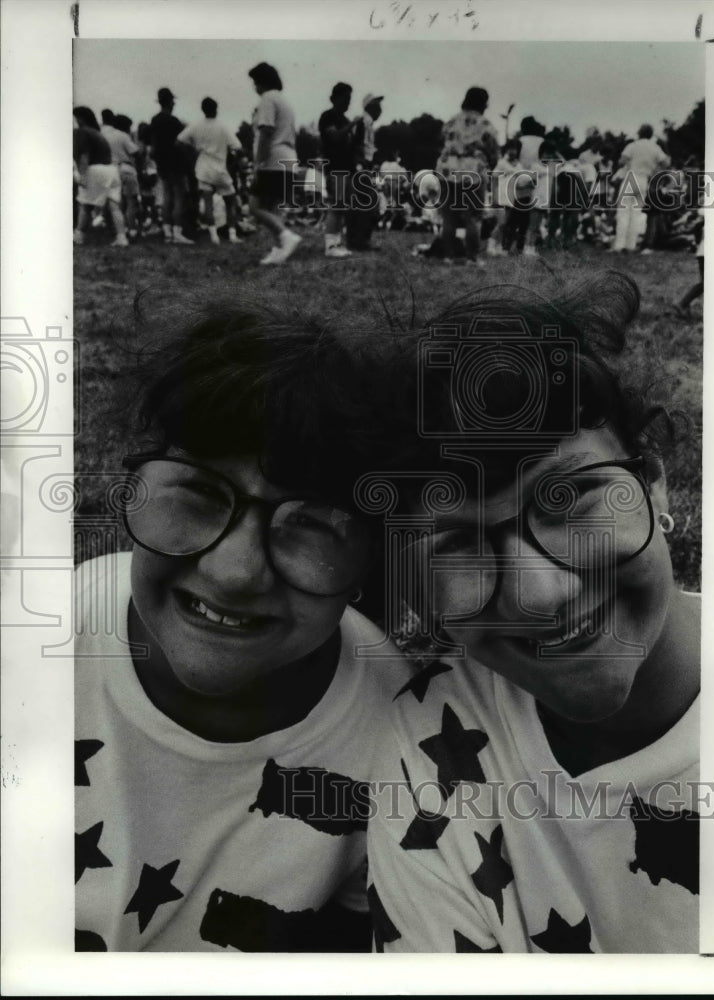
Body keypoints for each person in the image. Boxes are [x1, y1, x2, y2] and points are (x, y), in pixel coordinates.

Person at [364, 273, 701, 952]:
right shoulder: (433, 740)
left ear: (653, 481)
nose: (539, 594)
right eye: (457, 542)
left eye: (569, 498)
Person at [75, 301, 411, 952]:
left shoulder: (401, 750)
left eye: (314, 523)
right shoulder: (26, 650)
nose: (233, 572)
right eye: (197, 494)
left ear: (373, 557)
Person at [436, 86, 499, 264]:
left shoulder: (451, 121)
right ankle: (471, 257)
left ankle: (450, 256)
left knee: (449, 216)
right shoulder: (486, 125)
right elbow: (493, 151)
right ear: (483, 103)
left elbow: (441, 142)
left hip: (447, 170)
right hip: (473, 171)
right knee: (472, 216)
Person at [247, 62, 302, 265]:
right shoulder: (283, 101)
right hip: (288, 158)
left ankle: (287, 237)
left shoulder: (267, 99)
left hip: (272, 158)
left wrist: (258, 163)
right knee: (272, 208)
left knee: (255, 206)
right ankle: (279, 249)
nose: (254, 87)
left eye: (255, 82)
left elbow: (266, 132)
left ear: (262, 82)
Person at [179, 97, 243, 245]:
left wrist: (194, 150)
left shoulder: (196, 126)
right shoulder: (222, 126)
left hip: (203, 167)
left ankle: (214, 236)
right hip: (220, 168)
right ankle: (232, 235)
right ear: (216, 109)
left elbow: (179, 141)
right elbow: (237, 146)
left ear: (203, 110)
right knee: (230, 201)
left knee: (208, 203)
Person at [73, 106, 128, 247]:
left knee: (85, 205)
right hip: (111, 170)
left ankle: (78, 236)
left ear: (79, 118)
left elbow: (84, 155)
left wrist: (82, 175)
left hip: (94, 169)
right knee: (114, 206)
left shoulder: (81, 132)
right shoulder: (97, 133)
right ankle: (121, 237)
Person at [610, 124, 670, 253]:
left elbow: (622, 161)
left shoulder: (633, 145)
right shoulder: (655, 148)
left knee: (623, 212)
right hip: (644, 179)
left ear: (639, 133)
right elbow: (666, 163)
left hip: (631, 177)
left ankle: (619, 245)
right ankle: (631, 245)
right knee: (636, 214)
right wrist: (654, 170)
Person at [148, 87, 194, 245]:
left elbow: (153, 145)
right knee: (179, 197)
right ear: (170, 102)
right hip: (176, 162)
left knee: (167, 197)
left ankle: (167, 231)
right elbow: (181, 142)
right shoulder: (174, 121)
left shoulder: (154, 120)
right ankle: (177, 232)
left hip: (162, 163)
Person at [317, 82, 358, 259]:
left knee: (342, 206)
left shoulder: (345, 120)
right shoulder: (328, 116)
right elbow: (334, 137)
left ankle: (337, 241)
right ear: (335, 98)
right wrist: (352, 126)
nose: (348, 102)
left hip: (347, 168)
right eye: (345, 98)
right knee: (336, 205)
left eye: (350, 99)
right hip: (335, 167)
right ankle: (330, 244)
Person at [347, 94, 384, 251]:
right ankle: (359, 241)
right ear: (369, 106)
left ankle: (360, 240)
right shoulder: (363, 122)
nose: (380, 108)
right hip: (360, 166)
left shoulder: (368, 123)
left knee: (366, 204)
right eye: (377, 104)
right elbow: (356, 143)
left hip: (365, 166)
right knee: (365, 204)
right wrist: (360, 164)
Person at [103, 113, 141, 240]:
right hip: (126, 168)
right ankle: (132, 229)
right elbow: (135, 152)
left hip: (111, 170)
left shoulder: (105, 136)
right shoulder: (123, 136)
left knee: (116, 203)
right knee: (131, 201)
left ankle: (119, 229)